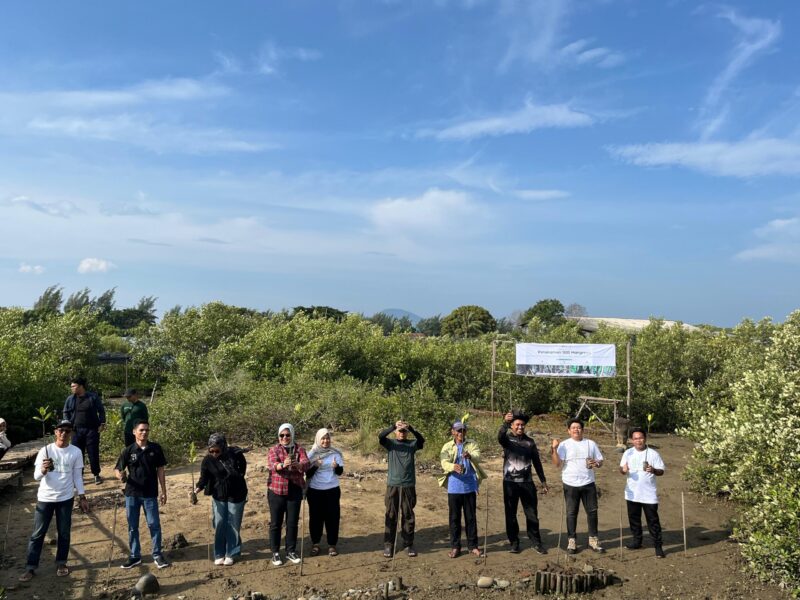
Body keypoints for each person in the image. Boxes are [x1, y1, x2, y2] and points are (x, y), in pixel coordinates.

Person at [19, 420, 89, 581]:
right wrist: (43, 469)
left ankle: (61, 563)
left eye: (67, 430)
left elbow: (77, 476)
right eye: (61, 430)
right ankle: (30, 567)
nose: (64, 433)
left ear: (71, 433)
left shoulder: (76, 452)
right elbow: (36, 477)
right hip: (45, 498)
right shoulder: (46, 450)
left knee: (64, 532)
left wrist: (82, 496)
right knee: (38, 534)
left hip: (66, 498)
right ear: (55, 432)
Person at [114, 420, 170, 569]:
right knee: (132, 526)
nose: (144, 432)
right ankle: (135, 556)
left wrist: (163, 491)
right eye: (141, 430)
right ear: (134, 432)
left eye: (146, 430)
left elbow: (161, 470)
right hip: (131, 493)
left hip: (150, 493)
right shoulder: (128, 450)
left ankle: (157, 554)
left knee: (154, 525)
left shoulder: (155, 448)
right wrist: (120, 476)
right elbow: (117, 469)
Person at [192, 433, 248, 565]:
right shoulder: (207, 460)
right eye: (211, 450)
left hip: (237, 493)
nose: (214, 453)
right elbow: (204, 478)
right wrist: (196, 490)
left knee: (233, 524)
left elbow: (242, 470)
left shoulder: (235, 454)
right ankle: (219, 553)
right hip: (219, 494)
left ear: (223, 447)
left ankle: (231, 553)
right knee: (220, 523)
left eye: (217, 450)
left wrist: (233, 473)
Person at [551, 418, 605, 554]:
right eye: (573, 428)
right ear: (569, 431)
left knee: (592, 512)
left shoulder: (590, 444)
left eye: (579, 427)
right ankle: (572, 540)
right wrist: (554, 449)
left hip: (588, 483)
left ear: (583, 429)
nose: (576, 429)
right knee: (571, 513)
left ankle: (593, 540)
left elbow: (600, 461)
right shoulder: (564, 445)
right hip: (570, 484)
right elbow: (557, 464)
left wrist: (597, 464)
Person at [498, 410, 549, 554]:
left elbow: (537, 463)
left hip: (527, 483)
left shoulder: (530, 442)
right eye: (517, 425)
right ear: (512, 426)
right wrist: (505, 423)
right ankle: (514, 543)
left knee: (532, 514)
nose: (520, 427)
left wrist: (543, 481)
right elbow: (500, 436)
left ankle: (536, 542)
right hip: (509, 483)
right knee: (510, 514)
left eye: (522, 425)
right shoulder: (507, 440)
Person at [378, 419, 425, 558]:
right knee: (391, 514)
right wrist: (393, 426)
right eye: (400, 431)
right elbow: (381, 437)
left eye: (404, 431)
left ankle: (408, 544)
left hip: (408, 485)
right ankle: (389, 545)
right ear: (396, 433)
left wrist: (411, 428)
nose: (402, 433)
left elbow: (421, 440)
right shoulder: (391, 444)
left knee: (408, 515)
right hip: (393, 485)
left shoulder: (412, 444)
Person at [439, 420, 485, 558]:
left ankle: (473, 546)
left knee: (471, 517)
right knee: (454, 518)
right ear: (453, 432)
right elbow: (443, 461)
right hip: (454, 487)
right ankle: (455, 546)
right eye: (458, 430)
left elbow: (478, 456)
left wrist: (470, 456)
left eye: (463, 430)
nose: (461, 433)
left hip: (469, 486)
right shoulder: (447, 446)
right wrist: (453, 467)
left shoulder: (471, 444)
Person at [267, 423, 309, 566]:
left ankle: (291, 550)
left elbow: (306, 463)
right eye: (282, 435)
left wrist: (298, 464)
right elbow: (273, 466)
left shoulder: (299, 449)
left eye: (287, 435)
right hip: (276, 491)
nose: (284, 438)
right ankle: (275, 552)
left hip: (295, 489)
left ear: (292, 435)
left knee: (292, 523)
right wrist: (283, 464)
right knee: (276, 523)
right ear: (278, 436)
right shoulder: (274, 450)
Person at [619, 427, 666, 558]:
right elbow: (621, 469)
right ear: (631, 440)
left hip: (648, 494)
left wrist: (653, 470)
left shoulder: (653, 454)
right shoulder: (628, 453)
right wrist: (623, 470)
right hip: (632, 492)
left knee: (653, 521)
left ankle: (658, 546)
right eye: (635, 438)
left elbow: (661, 471)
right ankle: (637, 542)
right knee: (634, 520)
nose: (638, 440)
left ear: (645, 438)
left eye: (640, 438)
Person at [306, 428, 344, 557]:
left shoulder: (335, 453)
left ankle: (332, 545)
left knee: (332, 518)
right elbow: (307, 473)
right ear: (318, 439)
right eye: (323, 438)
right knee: (315, 518)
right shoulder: (311, 454)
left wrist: (336, 467)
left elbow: (340, 472)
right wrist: (315, 465)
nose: (325, 441)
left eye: (327, 438)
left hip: (332, 490)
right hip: (315, 490)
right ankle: (315, 544)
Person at [63, 376, 106, 484]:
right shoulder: (70, 399)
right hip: (76, 431)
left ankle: (96, 475)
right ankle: (78, 476)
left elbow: (101, 410)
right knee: (77, 455)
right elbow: (65, 413)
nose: (72, 388)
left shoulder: (92, 397)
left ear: (81, 386)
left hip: (92, 430)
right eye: (71, 386)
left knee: (93, 453)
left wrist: (102, 423)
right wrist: (69, 427)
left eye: (74, 386)